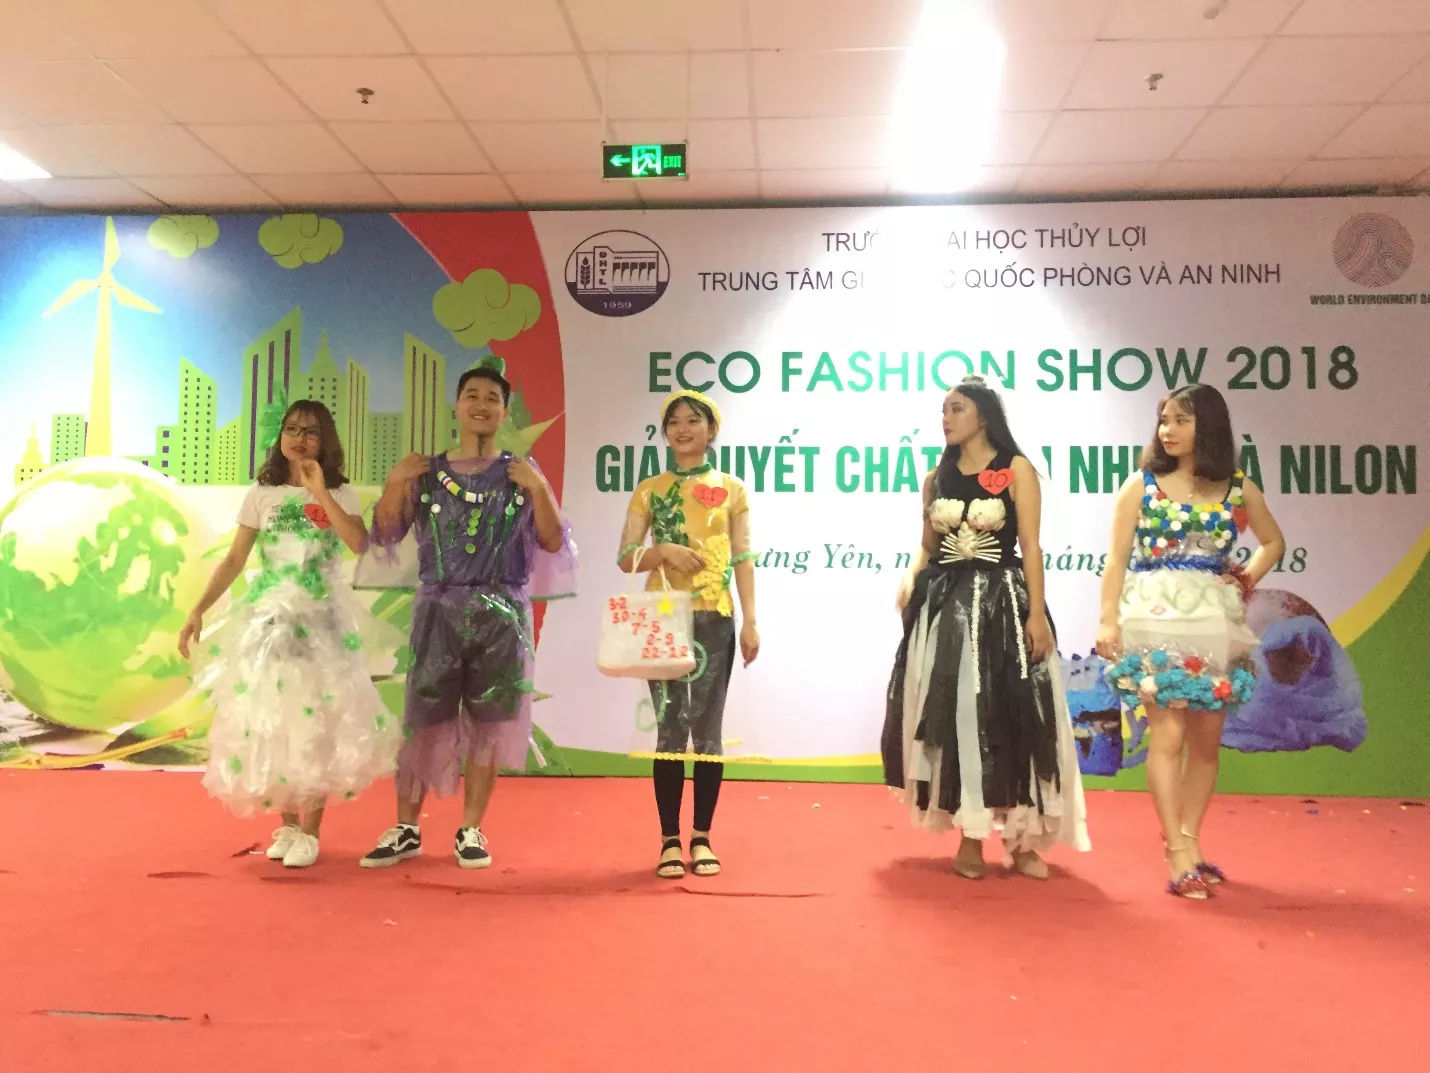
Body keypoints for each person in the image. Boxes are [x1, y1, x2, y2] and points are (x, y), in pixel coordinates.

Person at [357, 359, 576, 870]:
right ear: (456, 406)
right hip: (438, 611)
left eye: (492, 399)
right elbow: (386, 534)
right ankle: (406, 827)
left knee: (490, 724)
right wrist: (395, 482)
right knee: (423, 719)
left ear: (505, 411)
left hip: (503, 614)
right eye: (472, 396)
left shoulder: (523, 473)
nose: (481, 405)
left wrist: (538, 489)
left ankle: (471, 829)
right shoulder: (426, 472)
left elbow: (551, 541)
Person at [881, 375, 1089, 879]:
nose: (946, 418)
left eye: (956, 409)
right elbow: (927, 546)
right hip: (946, 609)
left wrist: (1035, 615)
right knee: (958, 720)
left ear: (983, 415)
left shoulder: (1016, 468)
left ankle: (1023, 841)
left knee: (1016, 717)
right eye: (943, 410)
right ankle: (970, 837)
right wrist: (910, 576)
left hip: (1003, 606)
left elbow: (1031, 546)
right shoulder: (937, 477)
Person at [179, 400, 401, 868]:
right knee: (276, 719)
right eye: (292, 429)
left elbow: (359, 543)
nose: (300, 438)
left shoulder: (339, 491)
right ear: (280, 436)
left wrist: (319, 491)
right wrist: (197, 609)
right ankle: (289, 824)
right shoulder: (262, 494)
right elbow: (235, 559)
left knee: (315, 722)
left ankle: (312, 831)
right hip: (271, 622)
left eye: (311, 431)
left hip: (323, 621)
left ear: (326, 441)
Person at [1095, 383, 1285, 899]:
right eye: (1164, 420)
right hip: (1154, 621)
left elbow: (1273, 541)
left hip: (1215, 626)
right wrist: (1108, 621)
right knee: (1167, 737)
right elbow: (1116, 560)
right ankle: (1176, 852)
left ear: (1209, 426)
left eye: (1181, 420)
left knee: (1205, 743)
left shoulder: (1237, 487)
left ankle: (1192, 842)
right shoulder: (1141, 485)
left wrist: (1243, 579)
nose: (1168, 430)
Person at [617, 389, 759, 879]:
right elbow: (626, 557)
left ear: (711, 430)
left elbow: (743, 557)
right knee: (671, 728)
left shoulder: (733, 489)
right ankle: (669, 841)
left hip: (716, 616)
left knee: (708, 731)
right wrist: (663, 552)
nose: (682, 429)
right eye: (673, 421)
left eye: (693, 420)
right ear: (665, 433)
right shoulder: (649, 490)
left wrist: (751, 619)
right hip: (664, 618)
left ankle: (702, 837)